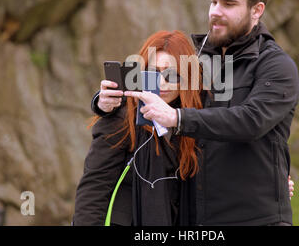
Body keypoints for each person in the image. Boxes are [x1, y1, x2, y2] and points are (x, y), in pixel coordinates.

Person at [124, 0, 299, 225]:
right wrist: (103, 102)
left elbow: (250, 121)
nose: (215, 11)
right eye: (213, 1)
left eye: (229, 4)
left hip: (256, 219)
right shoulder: (195, 60)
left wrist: (178, 119)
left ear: (257, 10)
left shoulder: (276, 66)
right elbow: (151, 93)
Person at [73, 30, 203, 225]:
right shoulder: (124, 115)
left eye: (172, 74)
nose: (162, 83)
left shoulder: (192, 120)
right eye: (153, 73)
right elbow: (94, 186)